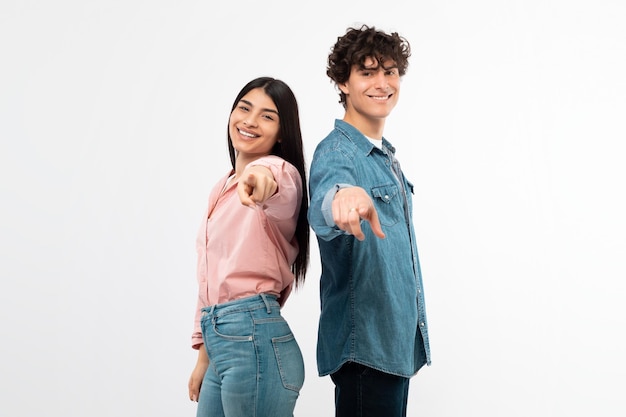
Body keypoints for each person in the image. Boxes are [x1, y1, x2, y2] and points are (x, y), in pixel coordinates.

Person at [308, 25, 432, 416]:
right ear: (343, 82)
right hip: (365, 352)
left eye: (390, 71)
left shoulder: (385, 156)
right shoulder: (337, 153)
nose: (382, 82)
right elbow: (325, 204)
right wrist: (341, 202)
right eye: (367, 72)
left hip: (391, 347)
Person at [187, 77, 309, 417]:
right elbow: (208, 278)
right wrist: (202, 358)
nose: (250, 121)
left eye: (267, 116)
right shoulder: (220, 189)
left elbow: (269, 182)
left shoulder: (281, 173)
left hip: (253, 338)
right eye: (244, 108)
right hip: (221, 343)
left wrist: (257, 181)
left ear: (282, 133)